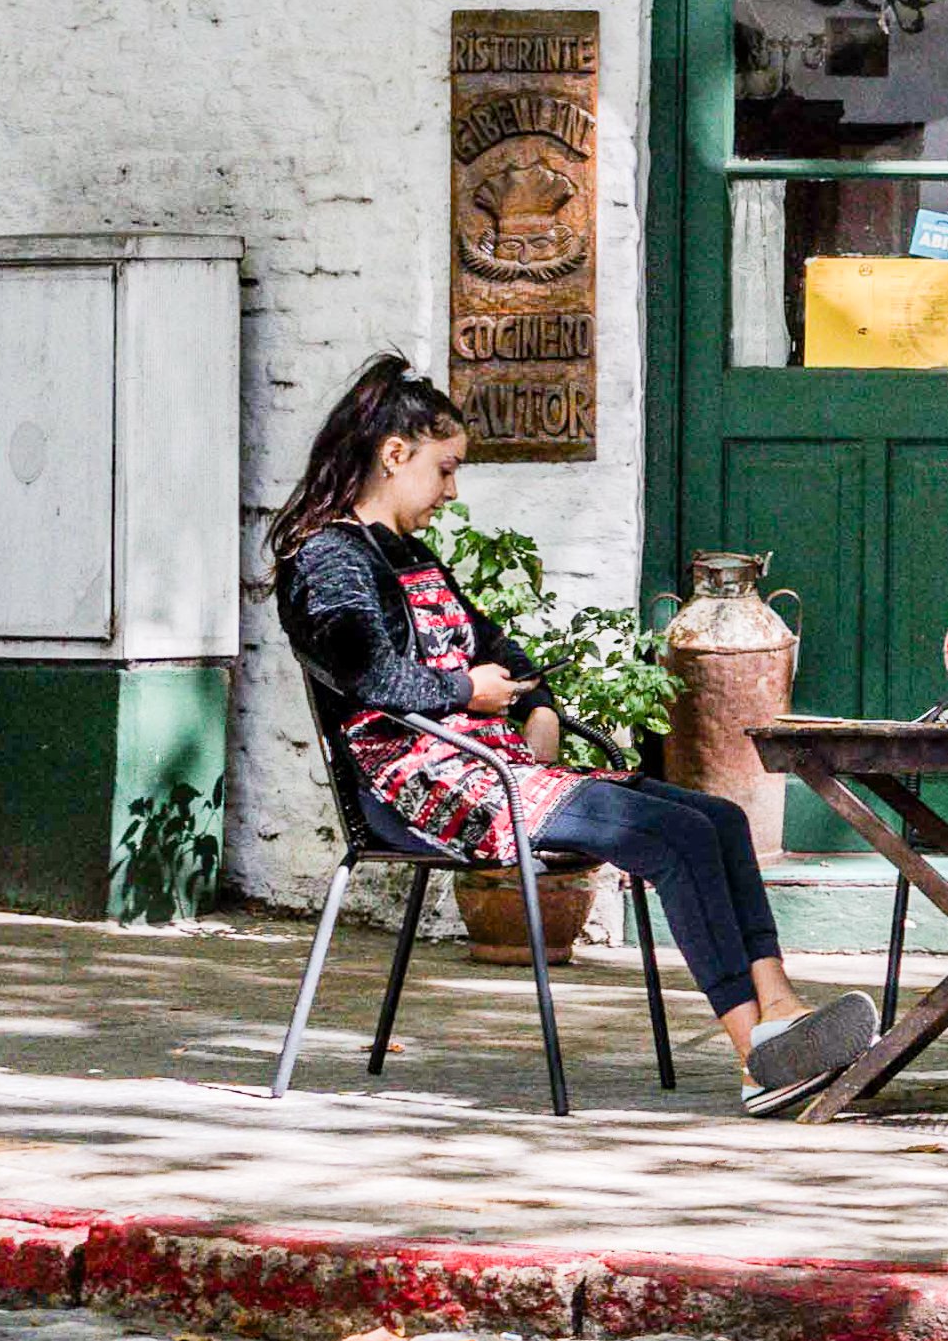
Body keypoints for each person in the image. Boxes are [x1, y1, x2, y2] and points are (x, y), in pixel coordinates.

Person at [269, 357, 873, 1114]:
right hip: (416, 789)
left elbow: (495, 644)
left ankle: (780, 1007)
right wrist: (467, 691)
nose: (452, 492)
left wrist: (541, 705)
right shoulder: (328, 558)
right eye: (445, 469)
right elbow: (367, 675)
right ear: (395, 454)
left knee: (718, 819)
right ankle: (755, 1056)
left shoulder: (410, 554)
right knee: (673, 837)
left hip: (485, 768)